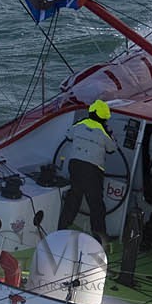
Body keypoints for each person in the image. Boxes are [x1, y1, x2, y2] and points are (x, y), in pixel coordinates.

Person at [57, 100, 117, 242]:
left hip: (75, 166)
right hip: (92, 170)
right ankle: (100, 237)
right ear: (104, 118)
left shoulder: (80, 124)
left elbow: (68, 135)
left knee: (74, 197)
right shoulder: (103, 132)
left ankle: (61, 228)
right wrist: (110, 134)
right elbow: (112, 148)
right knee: (96, 204)